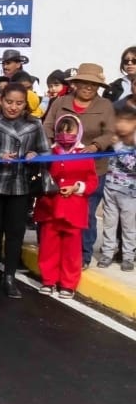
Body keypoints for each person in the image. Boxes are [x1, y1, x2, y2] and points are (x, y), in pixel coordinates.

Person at [0, 84, 49, 299]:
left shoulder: (34, 125)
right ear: (1, 100)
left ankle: (9, 277)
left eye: (19, 103)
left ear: (25, 105)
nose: (13, 107)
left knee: (15, 234)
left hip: (20, 186)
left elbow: (46, 152)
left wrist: (35, 155)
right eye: (9, 102)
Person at [43, 63, 116, 268]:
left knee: (85, 211)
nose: (88, 87)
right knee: (55, 211)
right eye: (84, 82)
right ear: (75, 83)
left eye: (93, 84)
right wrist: (51, 145)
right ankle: (55, 252)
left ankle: (83, 255)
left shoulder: (105, 106)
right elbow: (47, 126)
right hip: (59, 167)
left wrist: (95, 146)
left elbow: (110, 133)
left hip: (91, 168)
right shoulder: (60, 102)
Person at [34, 115, 99, 299]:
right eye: (60, 130)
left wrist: (76, 187)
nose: (64, 135)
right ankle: (48, 280)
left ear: (78, 132)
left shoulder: (85, 155)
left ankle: (68, 284)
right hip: (50, 207)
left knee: (71, 250)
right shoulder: (48, 153)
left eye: (69, 131)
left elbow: (92, 181)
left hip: (74, 208)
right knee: (48, 246)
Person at [97, 105, 136, 272]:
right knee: (109, 224)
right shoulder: (114, 140)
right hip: (110, 188)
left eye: (126, 121)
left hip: (129, 193)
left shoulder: (130, 144)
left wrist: (119, 148)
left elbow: (133, 166)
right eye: (119, 120)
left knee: (128, 227)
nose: (121, 124)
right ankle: (107, 252)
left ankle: (128, 256)